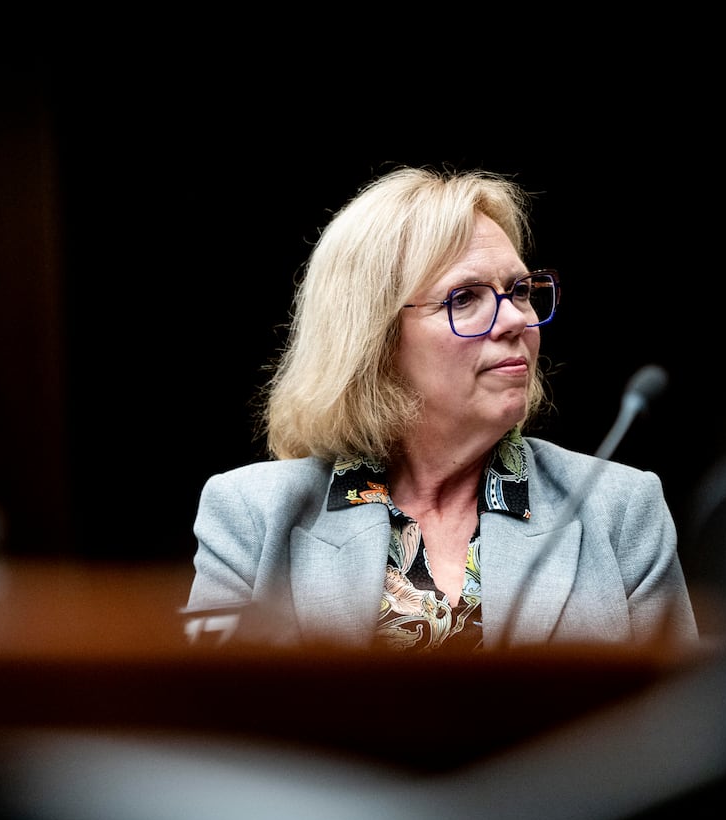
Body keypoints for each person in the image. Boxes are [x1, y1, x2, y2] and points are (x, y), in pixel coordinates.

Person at [184, 165, 699, 652]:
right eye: (464, 298)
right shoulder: (252, 515)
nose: (515, 321)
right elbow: (202, 727)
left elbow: (683, 729)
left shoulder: (621, 510)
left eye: (519, 291)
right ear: (376, 339)